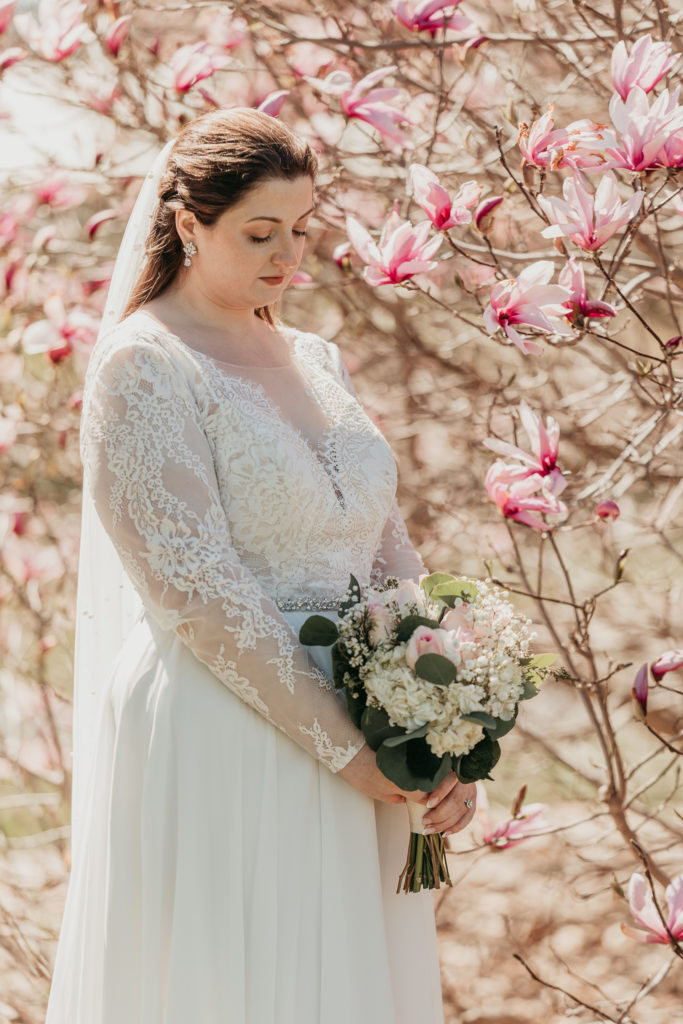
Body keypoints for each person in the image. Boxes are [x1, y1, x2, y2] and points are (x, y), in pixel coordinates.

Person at [45, 107, 476, 1024]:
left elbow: (384, 542)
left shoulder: (315, 358)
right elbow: (196, 592)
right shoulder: (145, 366)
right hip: (226, 723)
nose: (289, 257)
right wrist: (350, 751)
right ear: (187, 225)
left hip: (370, 718)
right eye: (259, 233)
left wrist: (443, 718)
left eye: (300, 230)